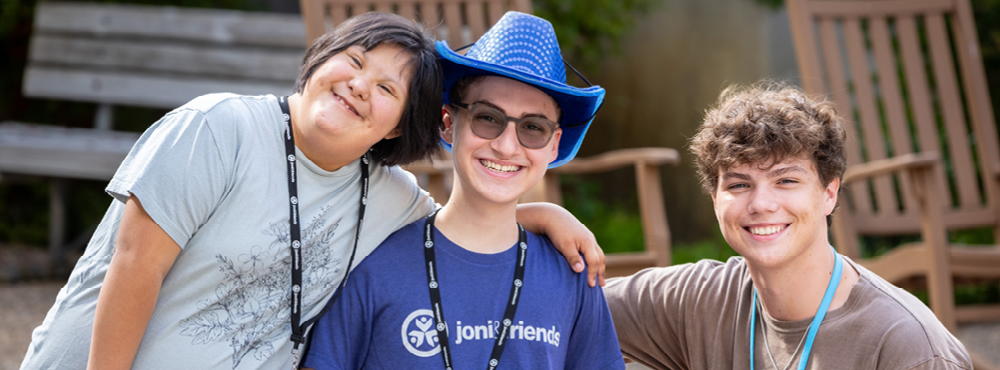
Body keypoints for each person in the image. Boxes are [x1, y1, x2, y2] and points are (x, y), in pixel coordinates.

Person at [20, 13, 606, 370]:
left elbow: (467, 220)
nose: (357, 86)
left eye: (385, 88)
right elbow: (133, 266)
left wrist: (541, 214)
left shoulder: (386, 198)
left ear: (400, 124)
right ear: (320, 57)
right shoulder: (218, 127)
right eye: (351, 60)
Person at [301, 12, 625, 370]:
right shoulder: (372, 263)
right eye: (488, 117)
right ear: (448, 123)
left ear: (553, 145)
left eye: (533, 127)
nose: (506, 146)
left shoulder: (572, 273)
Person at [603, 84, 972, 370]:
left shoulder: (906, 347)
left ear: (829, 193)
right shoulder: (697, 303)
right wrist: (545, 215)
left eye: (786, 181)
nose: (762, 203)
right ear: (715, 200)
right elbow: (561, 305)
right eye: (738, 184)